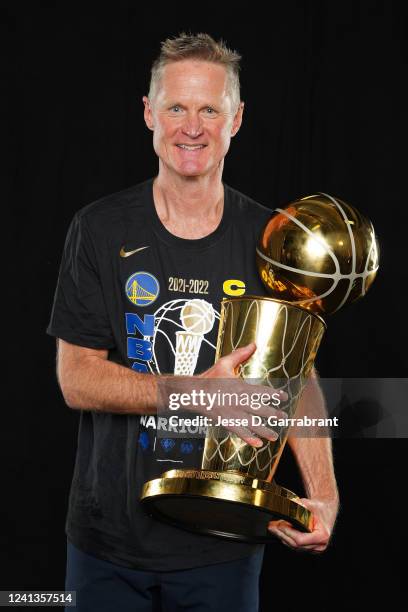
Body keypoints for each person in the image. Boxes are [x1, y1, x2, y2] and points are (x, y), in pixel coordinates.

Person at [47, 32, 339, 612]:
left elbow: (297, 380)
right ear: (149, 113)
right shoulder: (99, 228)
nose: (192, 127)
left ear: (237, 120)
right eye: (177, 107)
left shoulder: (272, 244)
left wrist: (324, 496)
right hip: (108, 543)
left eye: (210, 109)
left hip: (222, 543)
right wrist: (193, 395)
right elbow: (76, 379)